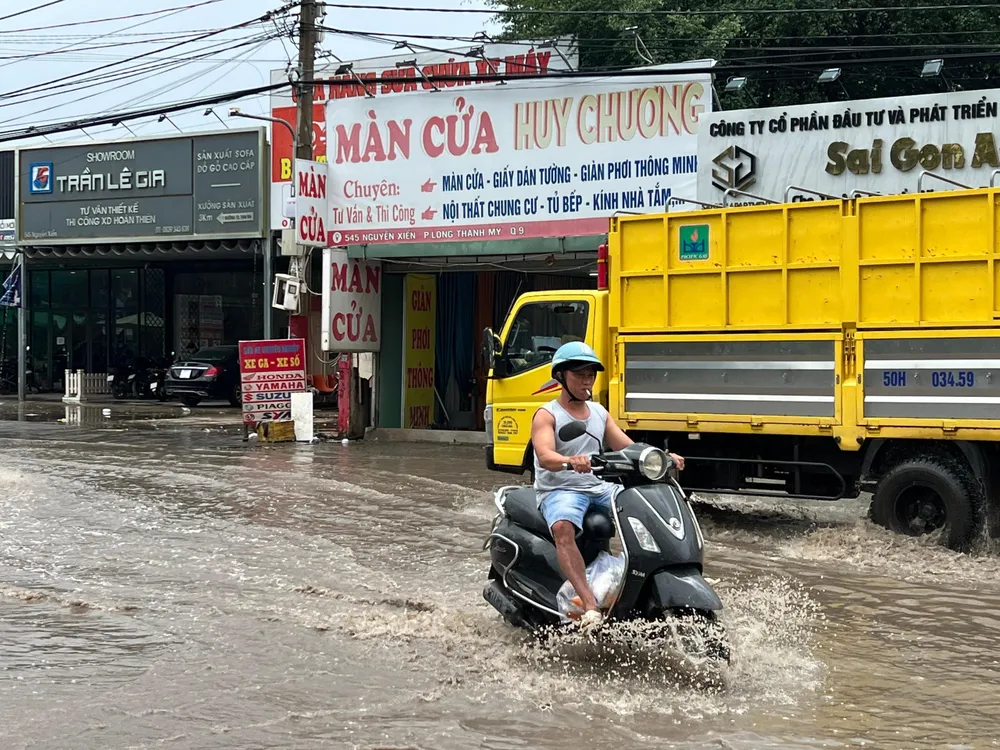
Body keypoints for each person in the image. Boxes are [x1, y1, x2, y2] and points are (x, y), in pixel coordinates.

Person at [530, 341, 685, 629]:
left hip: (597, 486)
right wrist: (569, 460)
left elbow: (628, 447)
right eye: (579, 374)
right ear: (561, 376)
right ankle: (589, 604)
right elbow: (545, 455)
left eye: (590, 374)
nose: (587, 380)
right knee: (563, 529)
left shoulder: (599, 413)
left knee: (644, 507)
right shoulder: (547, 413)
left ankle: (672, 574)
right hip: (560, 489)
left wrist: (662, 458)